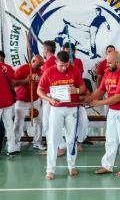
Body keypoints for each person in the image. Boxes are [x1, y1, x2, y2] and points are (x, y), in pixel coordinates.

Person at [85, 51, 120, 177]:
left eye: (109, 62)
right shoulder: (108, 72)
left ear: (118, 62)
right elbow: (101, 90)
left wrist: (98, 103)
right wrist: (87, 99)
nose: (107, 65)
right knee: (110, 138)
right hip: (113, 110)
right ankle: (107, 165)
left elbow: (118, 97)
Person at [37, 51, 85, 180]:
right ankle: (50, 169)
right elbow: (39, 90)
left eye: (66, 65)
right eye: (61, 65)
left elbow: (83, 87)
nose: (63, 68)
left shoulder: (75, 70)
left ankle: (72, 166)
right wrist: (49, 99)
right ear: (56, 62)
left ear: (69, 62)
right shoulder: (49, 71)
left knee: (71, 139)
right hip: (56, 108)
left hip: (72, 108)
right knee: (53, 139)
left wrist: (77, 90)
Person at [13, 55, 46, 151]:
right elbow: (13, 83)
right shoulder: (22, 69)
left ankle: (37, 142)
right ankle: (15, 144)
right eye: (38, 65)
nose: (40, 67)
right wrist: (26, 80)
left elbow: (43, 84)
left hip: (35, 100)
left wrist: (39, 79)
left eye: (41, 65)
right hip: (21, 100)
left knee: (39, 122)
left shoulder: (41, 70)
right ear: (33, 61)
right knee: (18, 123)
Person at [40, 40, 66, 156]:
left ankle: (58, 147)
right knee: (51, 123)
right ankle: (57, 147)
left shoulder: (48, 63)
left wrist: (37, 79)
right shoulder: (55, 60)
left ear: (46, 49)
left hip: (50, 96)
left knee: (48, 123)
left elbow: (44, 82)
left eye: (43, 49)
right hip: (53, 95)